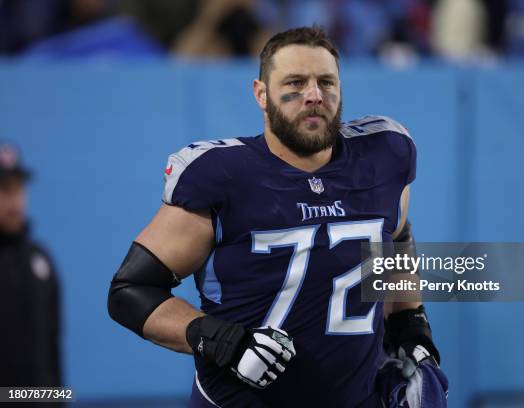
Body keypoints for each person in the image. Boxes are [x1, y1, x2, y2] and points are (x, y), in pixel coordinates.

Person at [108, 26, 447, 407]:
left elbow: (396, 240)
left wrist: (411, 325)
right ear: (261, 94)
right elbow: (131, 291)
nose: (314, 96)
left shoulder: (384, 156)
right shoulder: (223, 177)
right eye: (296, 82)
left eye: (326, 82)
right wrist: (219, 340)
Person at [0, 142, 62, 387]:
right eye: (4, 189)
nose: (14, 201)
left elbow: (51, 348)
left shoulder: (40, 262)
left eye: (18, 189)